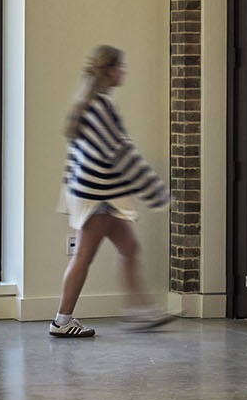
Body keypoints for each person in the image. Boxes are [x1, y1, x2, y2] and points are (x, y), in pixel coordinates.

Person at [52, 44, 170, 339]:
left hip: (94, 193)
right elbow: (121, 152)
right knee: (84, 256)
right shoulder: (100, 107)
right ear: (110, 71)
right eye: (122, 66)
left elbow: (76, 157)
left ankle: (139, 312)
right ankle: (61, 321)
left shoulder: (87, 103)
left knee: (129, 249)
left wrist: (72, 194)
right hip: (99, 197)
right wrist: (155, 191)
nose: (125, 71)